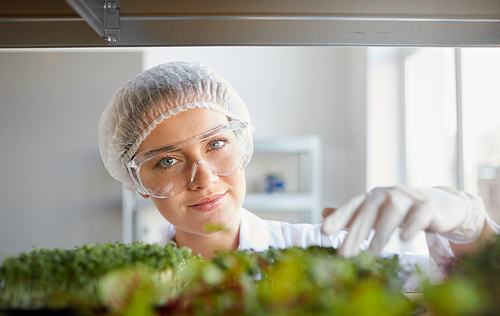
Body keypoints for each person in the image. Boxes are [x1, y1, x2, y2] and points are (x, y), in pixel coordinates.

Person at [99, 61, 498, 282]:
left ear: (243, 143)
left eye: (216, 143)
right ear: (137, 183)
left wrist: (470, 227)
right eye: (167, 160)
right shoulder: (125, 287)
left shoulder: (329, 257)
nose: (202, 179)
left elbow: (474, 297)